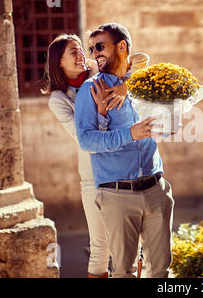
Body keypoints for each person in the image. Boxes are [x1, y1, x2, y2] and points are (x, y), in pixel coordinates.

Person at [43, 33, 149, 278]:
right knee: (100, 246)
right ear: (58, 62)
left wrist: (125, 83)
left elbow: (141, 60)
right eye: (73, 51)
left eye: (82, 49)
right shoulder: (59, 100)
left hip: (125, 167)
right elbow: (83, 139)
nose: (82, 54)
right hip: (94, 178)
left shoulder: (99, 77)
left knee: (137, 242)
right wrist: (100, 114)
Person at [74, 23, 173, 278]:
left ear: (121, 46)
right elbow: (86, 141)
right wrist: (131, 134)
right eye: (92, 48)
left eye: (100, 46)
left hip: (155, 188)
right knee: (123, 272)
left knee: (160, 270)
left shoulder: (144, 82)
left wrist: (170, 119)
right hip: (117, 194)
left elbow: (167, 120)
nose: (95, 53)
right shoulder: (91, 89)